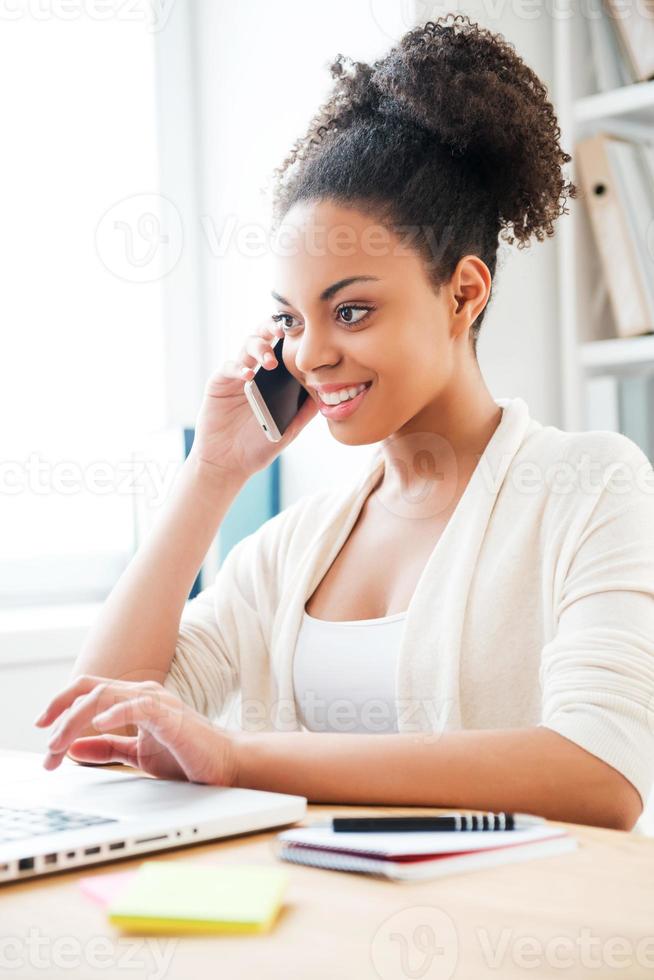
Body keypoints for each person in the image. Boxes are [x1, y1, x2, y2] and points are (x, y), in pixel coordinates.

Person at [35, 15, 654, 830]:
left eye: (352, 310)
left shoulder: (589, 486)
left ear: (463, 294)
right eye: (290, 319)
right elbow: (95, 727)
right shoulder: (292, 549)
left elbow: (599, 772)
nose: (311, 355)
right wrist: (210, 475)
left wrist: (238, 756)